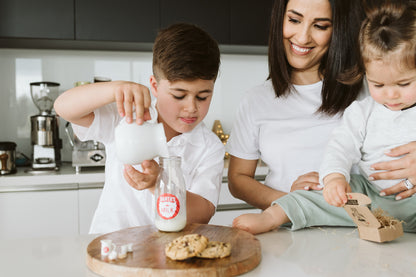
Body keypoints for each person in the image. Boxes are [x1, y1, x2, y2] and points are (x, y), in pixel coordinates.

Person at [232, 0, 416, 234]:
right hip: (294, 230)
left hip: (365, 229)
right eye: (294, 20)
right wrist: (299, 198)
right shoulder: (255, 100)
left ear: (338, 30)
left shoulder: (372, 87)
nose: (302, 36)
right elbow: (238, 179)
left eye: (320, 26)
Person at [54, 23, 225, 234]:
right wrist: (116, 88)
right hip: (112, 247)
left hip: (170, 254)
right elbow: (63, 108)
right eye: (179, 95)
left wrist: (158, 185)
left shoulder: (209, 147)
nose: (191, 108)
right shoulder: (126, 116)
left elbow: (204, 212)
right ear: (154, 86)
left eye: (203, 96)